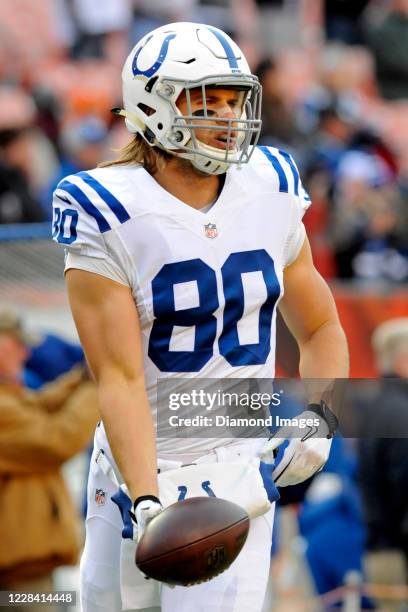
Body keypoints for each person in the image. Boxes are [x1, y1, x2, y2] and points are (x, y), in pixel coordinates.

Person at [52, 22, 349, 611]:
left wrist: (321, 417)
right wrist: (146, 499)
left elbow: (320, 327)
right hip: (135, 466)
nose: (226, 117)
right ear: (151, 105)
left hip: (233, 469)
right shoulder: (105, 207)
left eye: (233, 99)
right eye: (204, 101)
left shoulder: (270, 185)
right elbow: (118, 375)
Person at [0, 309, 99, 611]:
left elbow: (42, 405)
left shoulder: (9, 397)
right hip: (17, 579)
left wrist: (86, 373)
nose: (25, 352)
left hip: (26, 573)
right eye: (16, 344)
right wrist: (104, 384)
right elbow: (56, 439)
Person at [358, 318, 408, 611]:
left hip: (381, 551)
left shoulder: (377, 406)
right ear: (403, 361)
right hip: (399, 557)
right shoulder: (401, 412)